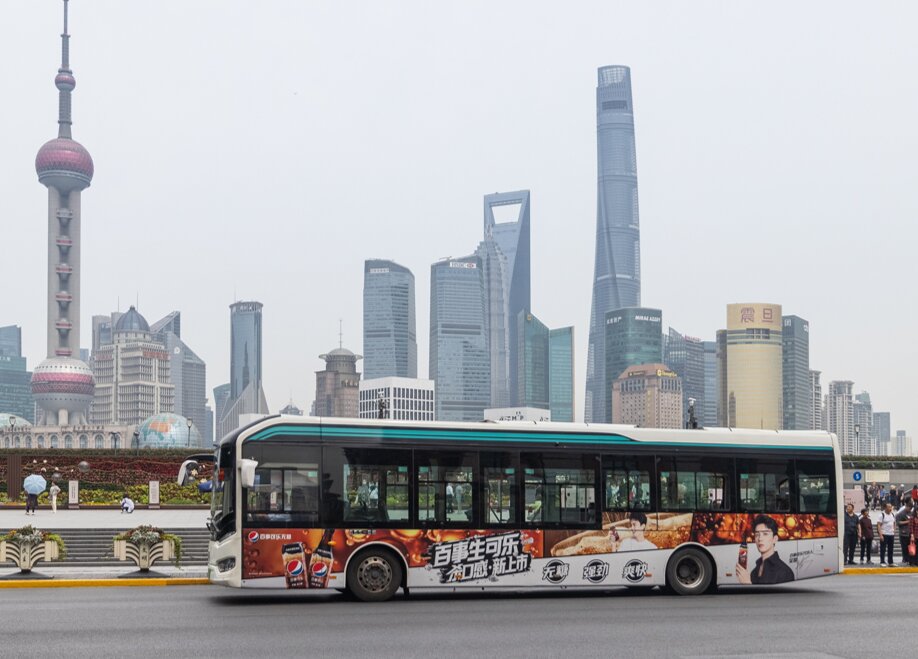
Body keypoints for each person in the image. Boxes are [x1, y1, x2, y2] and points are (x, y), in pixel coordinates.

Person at [736, 514, 795, 584]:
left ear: (775, 539)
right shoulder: (753, 573)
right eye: (757, 534)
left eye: (765, 534)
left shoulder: (785, 572)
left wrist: (747, 584)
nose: (760, 538)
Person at [877, 502, 897, 566]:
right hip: (884, 534)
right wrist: (880, 535)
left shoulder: (892, 515)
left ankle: (890, 562)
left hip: (891, 534)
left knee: (891, 549)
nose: (890, 508)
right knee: (883, 548)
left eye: (891, 507)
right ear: (885, 508)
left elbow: (894, 523)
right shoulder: (882, 515)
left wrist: (894, 530)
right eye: (889, 507)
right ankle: (882, 562)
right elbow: (878, 525)